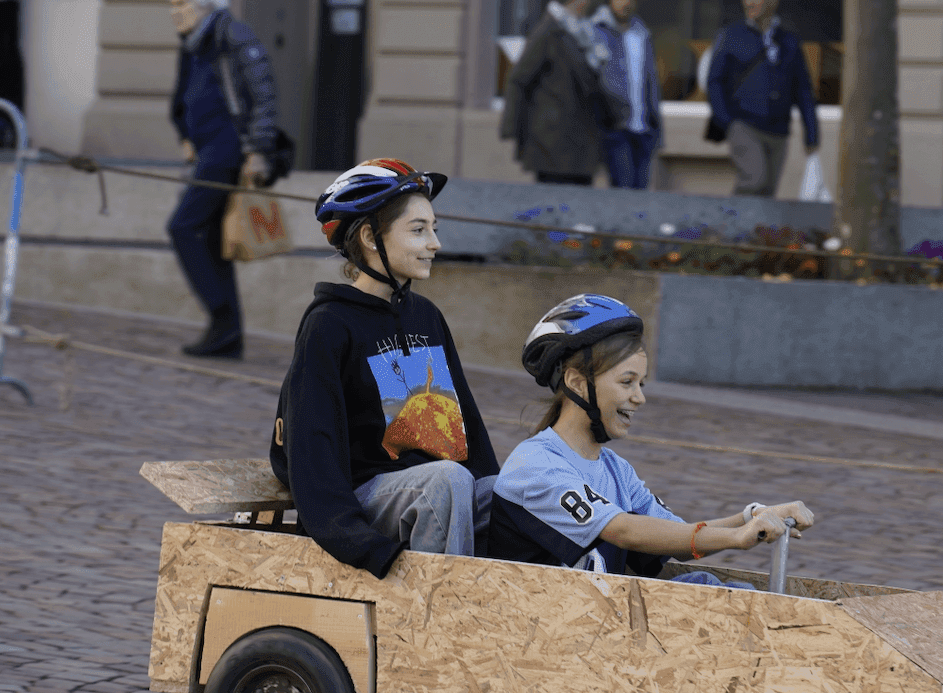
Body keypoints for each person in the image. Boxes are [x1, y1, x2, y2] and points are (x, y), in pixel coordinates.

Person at [270, 159, 499, 579]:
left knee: (515, 492)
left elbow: (469, 432)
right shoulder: (329, 324)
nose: (435, 244)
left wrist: (500, 495)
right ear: (369, 238)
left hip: (435, 488)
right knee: (447, 483)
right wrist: (359, 542)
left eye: (434, 228)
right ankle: (437, 619)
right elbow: (310, 448)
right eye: (418, 230)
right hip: (365, 501)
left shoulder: (427, 316)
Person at [490, 294, 813, 581]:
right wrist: (738, 537)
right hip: (543, 629)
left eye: (641, 384)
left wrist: (752, 516)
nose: (639, 398)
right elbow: (625, 531)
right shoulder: (535, 464)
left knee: (716, 589)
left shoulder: (616, 469)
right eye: (627, 382)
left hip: (597, 623)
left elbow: (679, 538)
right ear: (576, 382)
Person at [167, 0, 280, 359]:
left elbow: (262, 91)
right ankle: (227, 335)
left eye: (181, 4)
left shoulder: (231, 32)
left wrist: (258, 150)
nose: (175, 12)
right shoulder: (193, 42)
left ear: (205, 6)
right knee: (213, 240)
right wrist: (185, 134)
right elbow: (184, 96)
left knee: (183, 227)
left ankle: (222, 318)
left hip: (228, 148)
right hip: (207, 150)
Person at [499, 0, 622, 186]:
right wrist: (512, 128)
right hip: (552, 142)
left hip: (581, 143)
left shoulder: (584, 32)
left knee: (577, 203)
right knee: (554, 204)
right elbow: (520, 79)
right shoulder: (549, 30)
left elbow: (593, 85)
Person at [706, 0, 820, 198]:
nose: (748, 3)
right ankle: (734, 224)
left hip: (779, 131)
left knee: (768, 191)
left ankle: (757, 229)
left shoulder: (789, 41)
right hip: (744, 125)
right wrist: (727, 121)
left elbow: (803, 90)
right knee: (754, 179)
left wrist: (811, 133)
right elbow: (714, 81)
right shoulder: (731, 35)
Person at [591, 0, 662, 190]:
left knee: (640, 190)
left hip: (644, 128)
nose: (626, 3)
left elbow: (650, 81)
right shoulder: (597, 31)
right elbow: (595, 81)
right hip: (615, 127)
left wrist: (656, 127)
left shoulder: (641, 32)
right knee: (623, 189)